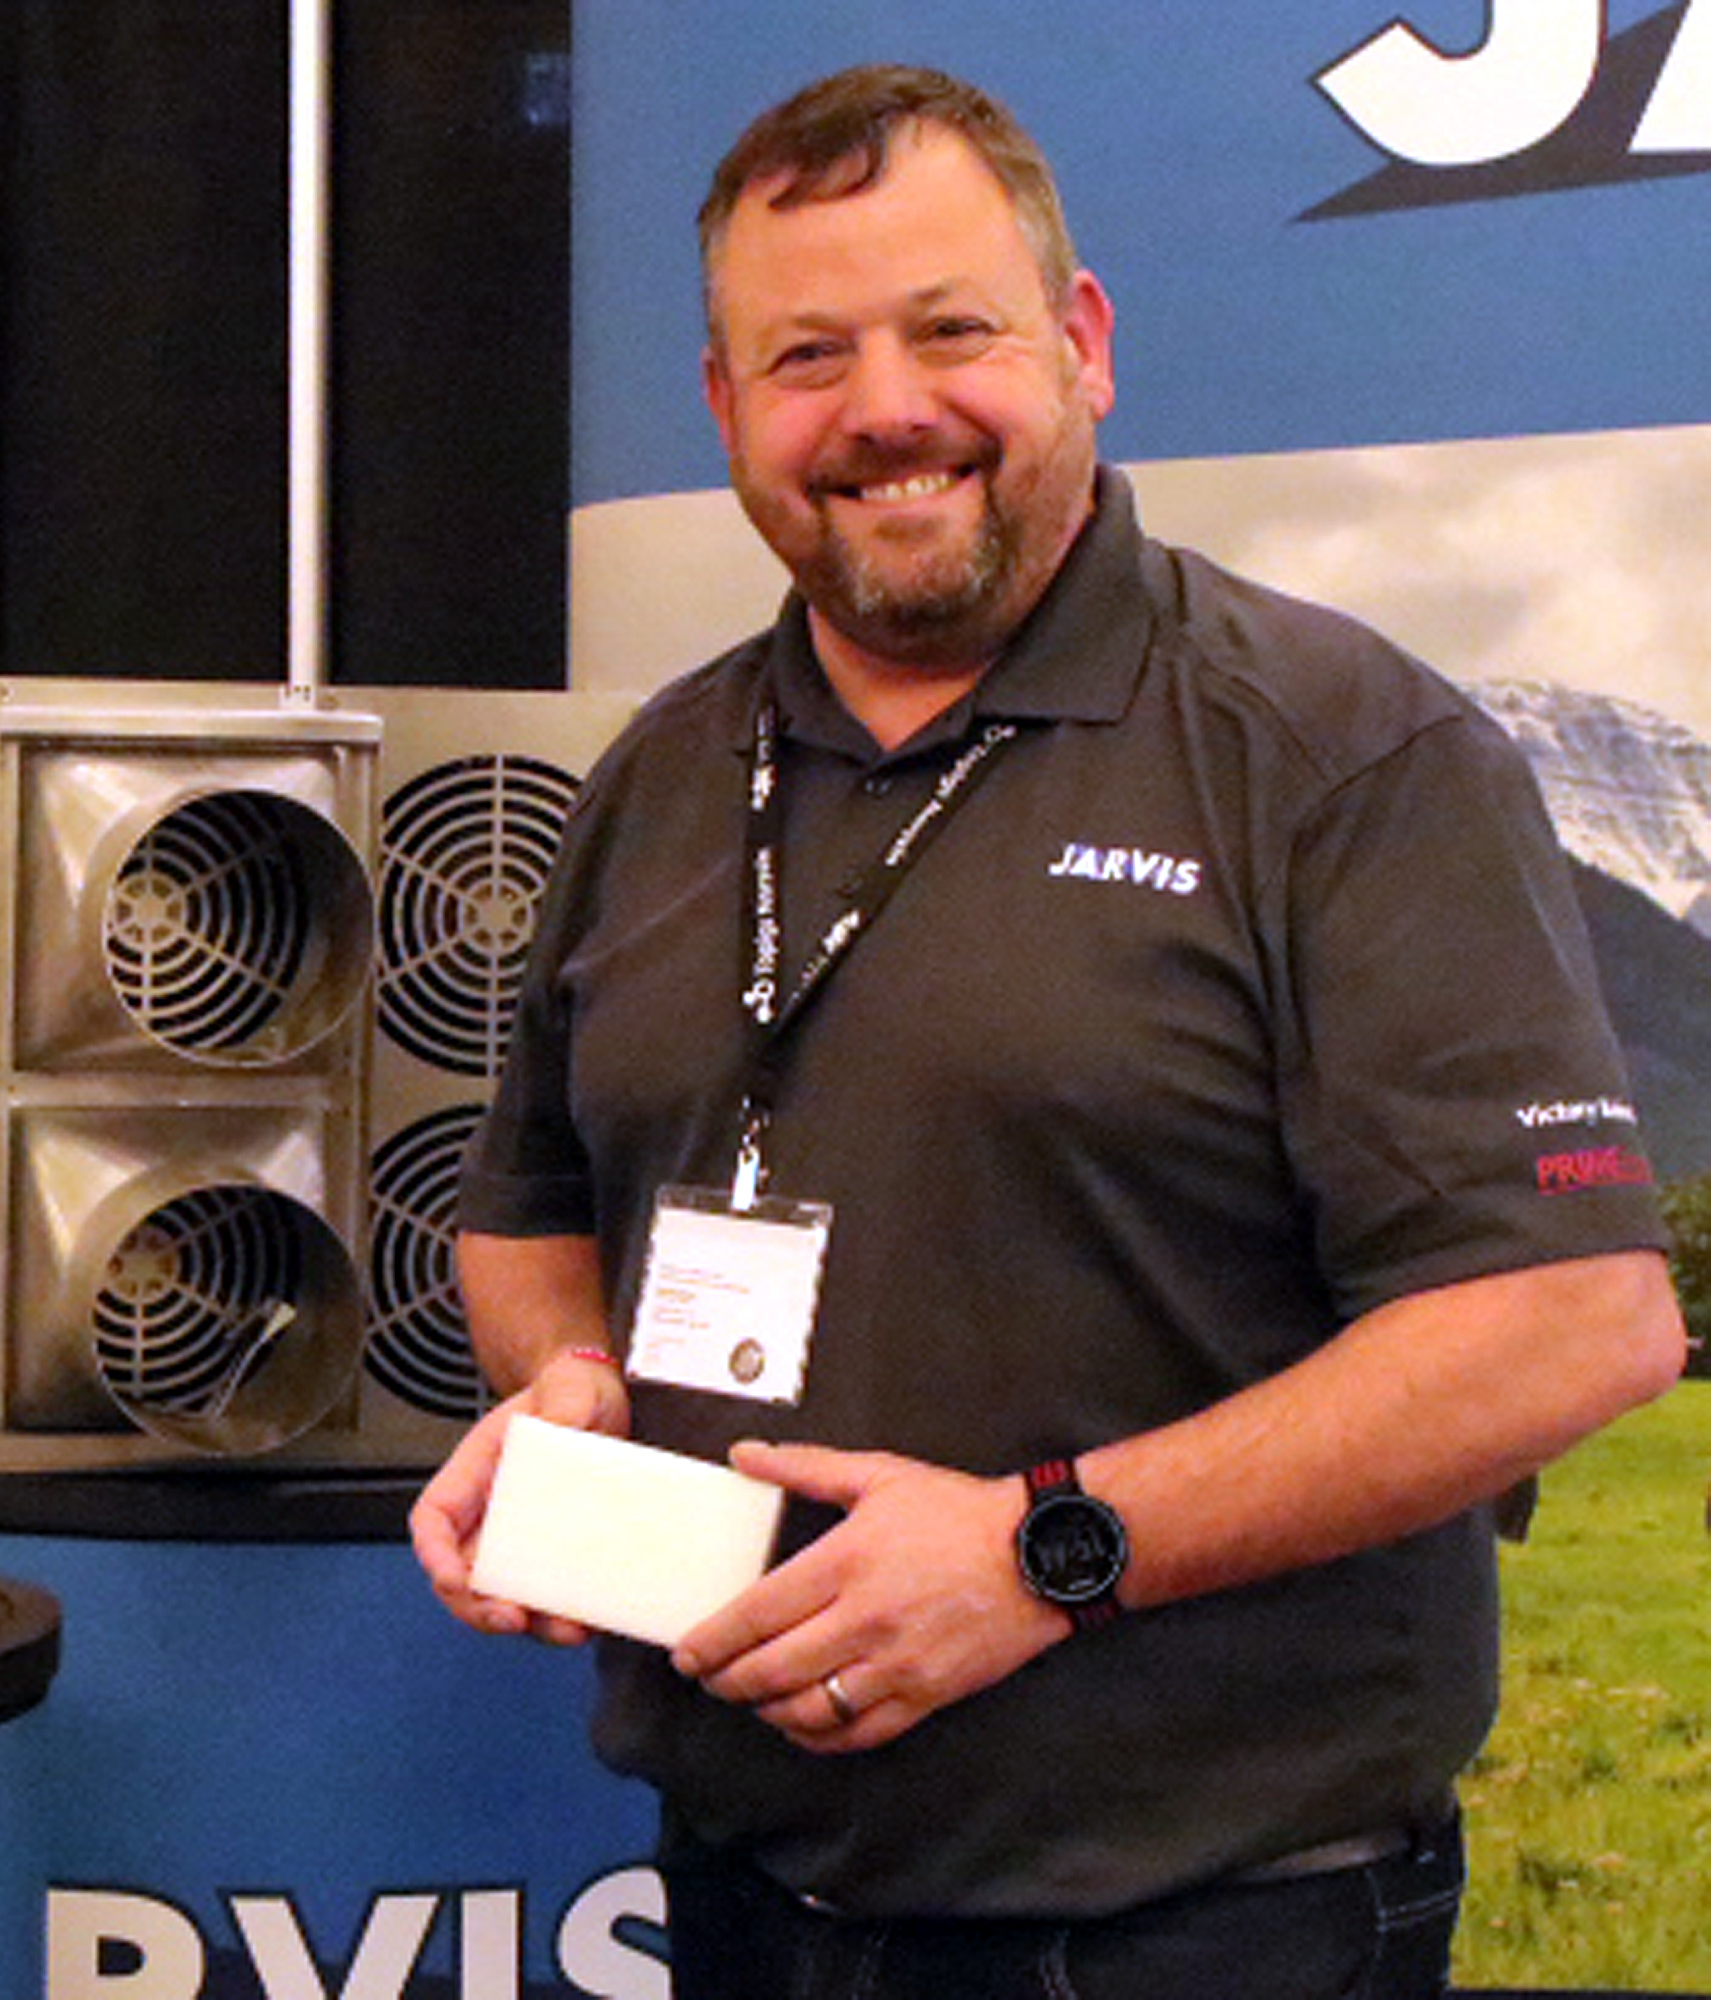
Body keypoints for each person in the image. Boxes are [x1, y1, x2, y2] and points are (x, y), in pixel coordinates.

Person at [409, 61, 1689, 2000]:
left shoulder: (1341, 749)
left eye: (952, 331)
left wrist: (1044, 1553)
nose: (887, 409)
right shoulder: (657, 774)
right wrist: (572, 1388)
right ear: (727, 408)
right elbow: (526, 1219)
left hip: (1210, 1924)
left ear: (1080, 342)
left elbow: (1573, 1319)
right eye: (809, 354)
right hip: (747, 1896)